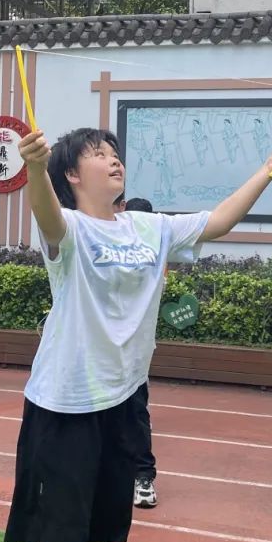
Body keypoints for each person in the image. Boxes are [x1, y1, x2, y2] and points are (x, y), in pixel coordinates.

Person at [7, 126, 272, 542]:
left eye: (114, 152)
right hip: (66, 402)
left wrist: (269, 171)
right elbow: (46, 215)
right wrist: (35, 168)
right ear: (73, 174)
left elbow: (219, 221)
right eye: (99, 154)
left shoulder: (150, 228)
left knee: (105, 524)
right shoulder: (70, 227)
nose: (114, 160)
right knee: (59, 534)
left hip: (123, 398)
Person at [123, 195, 157, 508]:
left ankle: (144, 478)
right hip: (101, 357)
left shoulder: (154, 255)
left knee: (136, 414)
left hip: (135, 356)